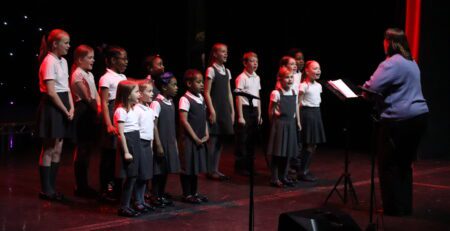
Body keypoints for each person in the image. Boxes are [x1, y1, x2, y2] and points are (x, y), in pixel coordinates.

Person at [363, 28, 429, 216]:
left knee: (388, 163)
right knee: (404, 163)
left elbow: (372, 88)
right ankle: (404, 206)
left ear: (389, 42)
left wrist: (364, 93)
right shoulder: (411, 62)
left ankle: (393, 208)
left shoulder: (392, 63)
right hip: (419, 117)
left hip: (400, 119)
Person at [37, 28, 73, 201]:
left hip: (63, 104)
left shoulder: (63, 62)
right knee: (49, 148)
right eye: (66, 43)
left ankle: (52, 188)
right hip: (53, 106)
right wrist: (65, 110)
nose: (68, 46)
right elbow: (51, 92)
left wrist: (71, 107)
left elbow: (66, 87)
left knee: (58, 149)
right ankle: (46, 189)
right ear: (55, 44)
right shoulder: (49, 61)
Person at [98, 46, 128, 201]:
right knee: (108, 154)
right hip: (110, 112)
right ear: (113, 60)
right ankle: (105, 188)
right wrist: (109, 124)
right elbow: (103, 103)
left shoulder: (122, 77)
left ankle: (117, 187)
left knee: (118, 153)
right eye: (123, 58)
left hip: (121, 112)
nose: (126, 62)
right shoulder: (106, 78)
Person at [70, 44, 100, 198]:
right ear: (80, 59)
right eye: (90, 57)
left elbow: (95, 94)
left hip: (91, 111)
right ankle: (80, 186)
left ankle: (84, 185)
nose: (93, 60)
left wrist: (100, 108)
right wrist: (99, 112)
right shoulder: (77, 75)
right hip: (83, 112)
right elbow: (87, 97)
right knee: (82, 149)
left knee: (87, 149)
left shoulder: (89, 74)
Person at [204, 43, 234, 181]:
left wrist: (232, 111)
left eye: (226, 51)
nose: (226, 54)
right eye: (223, 51)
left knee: (221, 141)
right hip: (215, 108)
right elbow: (206, 92)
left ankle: (215, 169)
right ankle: (210, 170)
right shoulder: (211, 70)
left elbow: (228, 93)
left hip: (224, 109)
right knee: (213, 140)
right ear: (215, 54)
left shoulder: (227, 71)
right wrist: (212, 110)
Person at [178, 69, 209, 204]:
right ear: (189, 83)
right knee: (188, 167)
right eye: (198, 82)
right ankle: (187, 194)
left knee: (195, 167)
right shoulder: (185, 99)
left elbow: (204, 118)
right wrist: (195, 137)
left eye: (202, 81)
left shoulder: (201, 98)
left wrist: (206, 132)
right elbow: (184, 121)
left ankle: (194, 192)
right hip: (189, 140)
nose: (202, 84)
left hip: (200, 139)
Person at [150, 72, 180, 207]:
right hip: (161, 142)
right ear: (164, 87)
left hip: (169, 141)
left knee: (165, 170)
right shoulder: (157, 103)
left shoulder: (170, 102)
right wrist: (158, 144)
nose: (176, 87)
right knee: (158, 171)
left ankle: (161, 195)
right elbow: (153, 125)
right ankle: (155, 196)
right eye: (173, 85)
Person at [267, 67, 300, 188]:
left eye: (291, 77)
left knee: (288, 152)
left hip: (290, 123)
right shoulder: (276, 93)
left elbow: (295, 108)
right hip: (279, 124)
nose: (290, 80)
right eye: (287, 77)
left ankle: (284, 176)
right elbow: (270, 111)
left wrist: (297, 121)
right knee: (278, 153)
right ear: (280, 79)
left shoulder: (293, 92)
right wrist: (274, 124)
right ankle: (274, 178)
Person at [113, 80, 141, 217]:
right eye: (136, 91)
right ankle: (124, 206)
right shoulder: (120, 111)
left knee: (133, 176)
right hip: (128, 143)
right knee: (129, 177)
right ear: (127, 94)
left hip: (135, 140)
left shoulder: (133, 109)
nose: (139, 94)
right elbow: (121, 134)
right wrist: (126, 151)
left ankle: (128, 204)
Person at [234, 52, 262, 176]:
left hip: (254, 109)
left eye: (256, 61)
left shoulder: (257, 77)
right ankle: (241, 166)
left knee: (252, 138)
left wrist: (260, 114)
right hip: (245, 109)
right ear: (245, 63)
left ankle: (250, 166)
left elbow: (258, 96)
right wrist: (240, 115)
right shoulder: (241, 78)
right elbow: (238, 97)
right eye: (252, 61)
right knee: (243, 138)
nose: (255, 63)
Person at [298, 60, 326, 182]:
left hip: (316, 113)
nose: (318, 71)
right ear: (307, 71)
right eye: (315, 68)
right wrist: (298, 120)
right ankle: (302, 171)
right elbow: (298, 104)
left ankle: (305, 169)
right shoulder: (304, 86)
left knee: (313, 144)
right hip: (307, 114)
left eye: (319, 68)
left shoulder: (319, 86)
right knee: (308, 144)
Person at [133, 80, 157, 213]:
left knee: (146, 175)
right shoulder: (137, 109)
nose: (152, 94)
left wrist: (152, 145)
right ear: (140, 94)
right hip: (140, 144)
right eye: (149, 91)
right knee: (140, 174)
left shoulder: (149, 109)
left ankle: (142, 200)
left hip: (148, 144)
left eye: (152, 91)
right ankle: (137, 200)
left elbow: (151, 129)